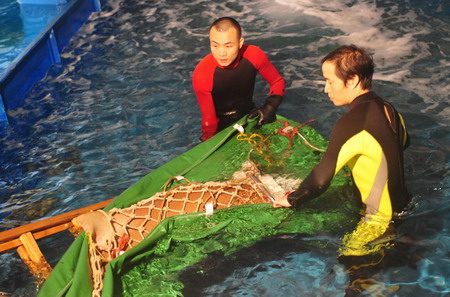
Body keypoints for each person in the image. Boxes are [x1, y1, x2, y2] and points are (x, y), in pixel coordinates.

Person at [274, 45, 410, 257]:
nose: (325, 89)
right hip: (404, 207)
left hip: (377, 223)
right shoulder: (389, 108)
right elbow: (403, 143)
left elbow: (320, 180)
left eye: (330, 81)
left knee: (351, 271)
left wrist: (292, 198)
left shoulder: (352, 123)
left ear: (353, 80)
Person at [192, 17, 286, 141]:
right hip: (222, 126)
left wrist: (270, 106)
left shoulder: (253, 55)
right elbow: (209, 120)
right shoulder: (202, 73)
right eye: (215, 45)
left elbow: (277, 82)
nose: (221, 53)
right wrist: (207, 141)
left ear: (240, 43)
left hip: (250, 114)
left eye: (228, 46)